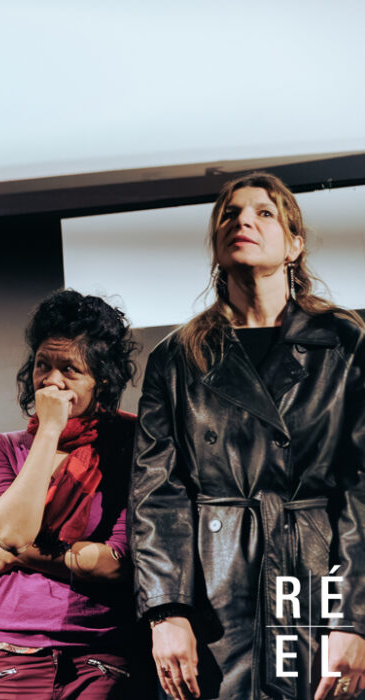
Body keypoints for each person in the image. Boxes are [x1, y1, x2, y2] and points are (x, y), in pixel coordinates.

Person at [131, 172, 365, 700]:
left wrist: (355, 618)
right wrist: (166, 611)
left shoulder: (344, 342)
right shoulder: (177, 357)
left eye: (264, 213)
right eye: (230, 214)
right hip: (218, 587)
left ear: (294, 243)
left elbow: (362, 487)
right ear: (216, 244)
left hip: (318, 573)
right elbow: (157, 494)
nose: (243, 221)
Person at [0, 289, 139, 699]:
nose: (51, 382)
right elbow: (12, 530)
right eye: (42, 366)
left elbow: (114, 564)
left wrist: (18, 554)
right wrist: (49, 430)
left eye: (70, 369)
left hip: (100, 651)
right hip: (16, 650)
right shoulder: (4, 448)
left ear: (100, 378)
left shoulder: (129, 443)